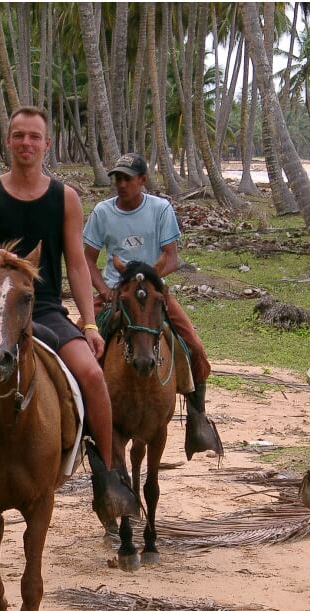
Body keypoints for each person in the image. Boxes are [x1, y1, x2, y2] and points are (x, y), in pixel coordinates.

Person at [0, 106, 135, 511]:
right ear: (8, 141)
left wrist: (88, 322)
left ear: (46, 144)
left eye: (34, 136)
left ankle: (107, 474)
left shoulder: (64, 197)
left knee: (91, 376)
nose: (26, 143)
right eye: (19, 135)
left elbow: (77, 265)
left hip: (44, 309)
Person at [83, 153, 223, 459]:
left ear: (142, 180)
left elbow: (170, 257)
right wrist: (106, 289)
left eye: (127, 178)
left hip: (154, 291)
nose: (120, 184)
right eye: (117, 178)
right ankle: (80, 417)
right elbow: (88, 261)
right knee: (81, 344)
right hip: (115, 293)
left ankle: (197, 417)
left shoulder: (160, 209)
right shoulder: (102, 212)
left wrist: (144, 282)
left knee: (194, 346)